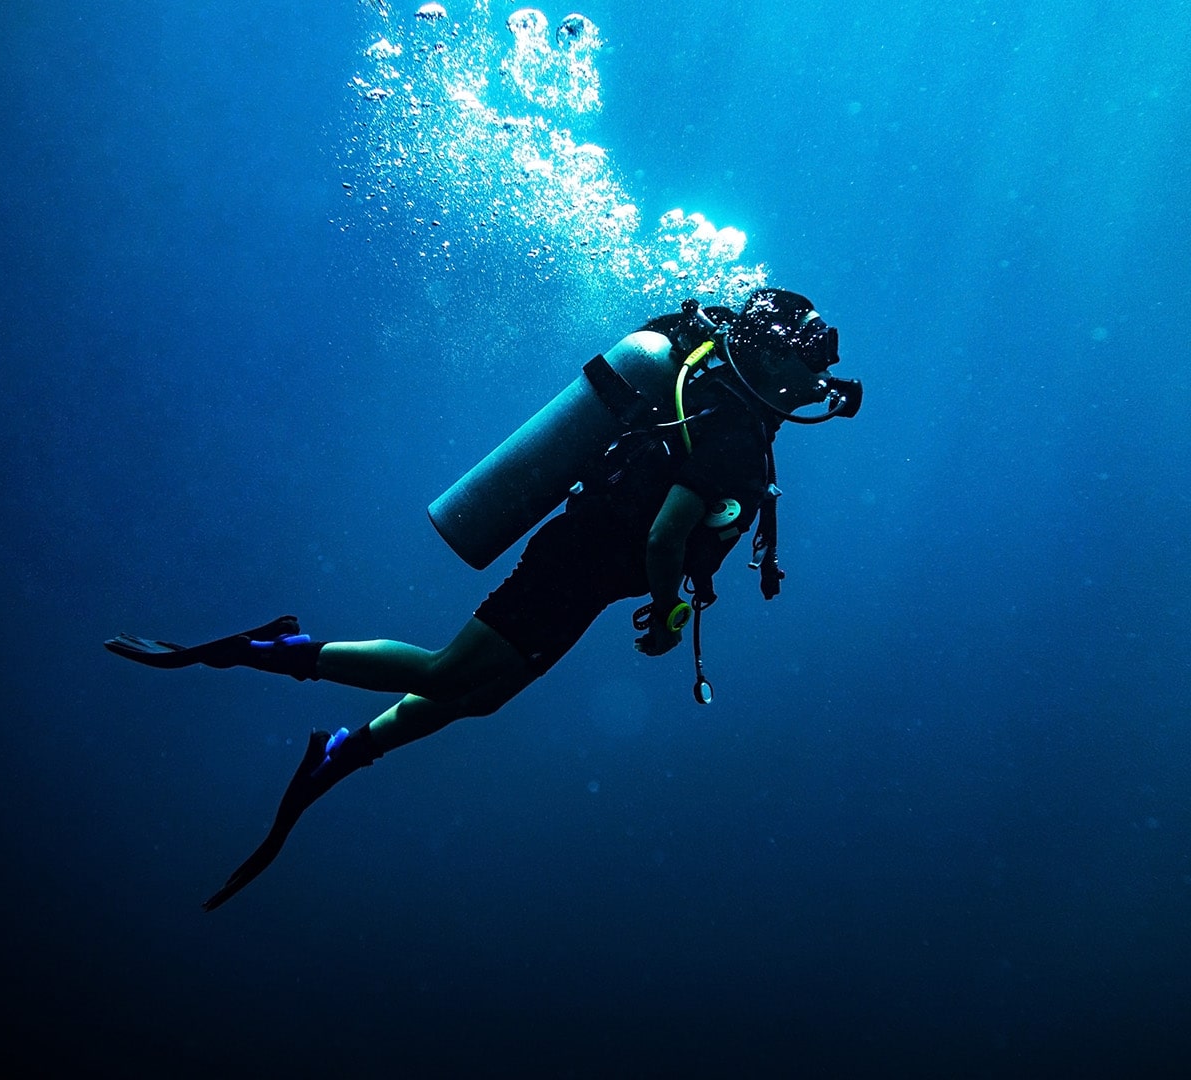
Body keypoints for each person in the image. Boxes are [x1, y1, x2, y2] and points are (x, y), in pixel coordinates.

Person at [106, 288, 863, 910]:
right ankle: (267, 649)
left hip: (588, 574)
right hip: (577, 565)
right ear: (768, 356)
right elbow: (667, 538)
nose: (815, 386)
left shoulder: (725, 409)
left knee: (482, 697)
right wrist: (668, 617)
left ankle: (340, 752)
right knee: (443, 674)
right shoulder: (732, 432)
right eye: (805, 367)